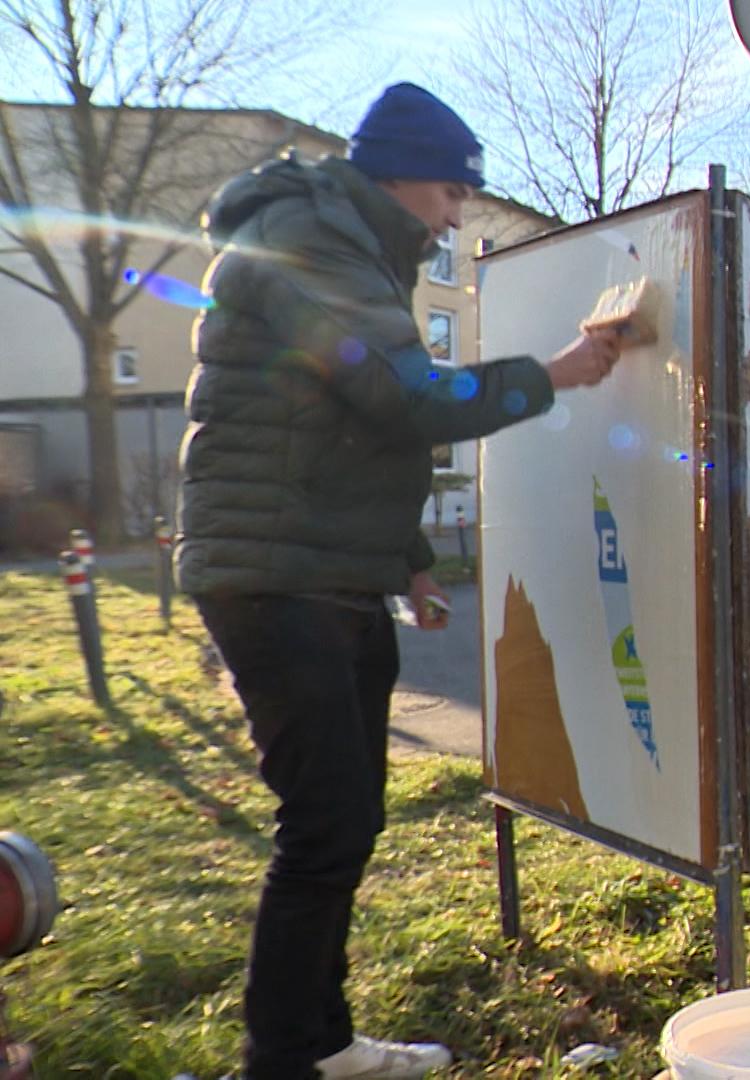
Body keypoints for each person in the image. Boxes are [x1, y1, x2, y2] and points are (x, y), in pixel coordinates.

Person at [175, 83, 619, 1079]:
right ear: (402, 175)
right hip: (273, 574)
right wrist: (554, 373)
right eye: (455, 191)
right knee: (326, 820)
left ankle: (316, 1042)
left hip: (323, 571)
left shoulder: (351, 248)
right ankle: (286, 1055)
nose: (459, 213)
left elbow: (346, 430)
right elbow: (401, 397)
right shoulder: (310, 243)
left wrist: (407, 560)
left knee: (349, 816)